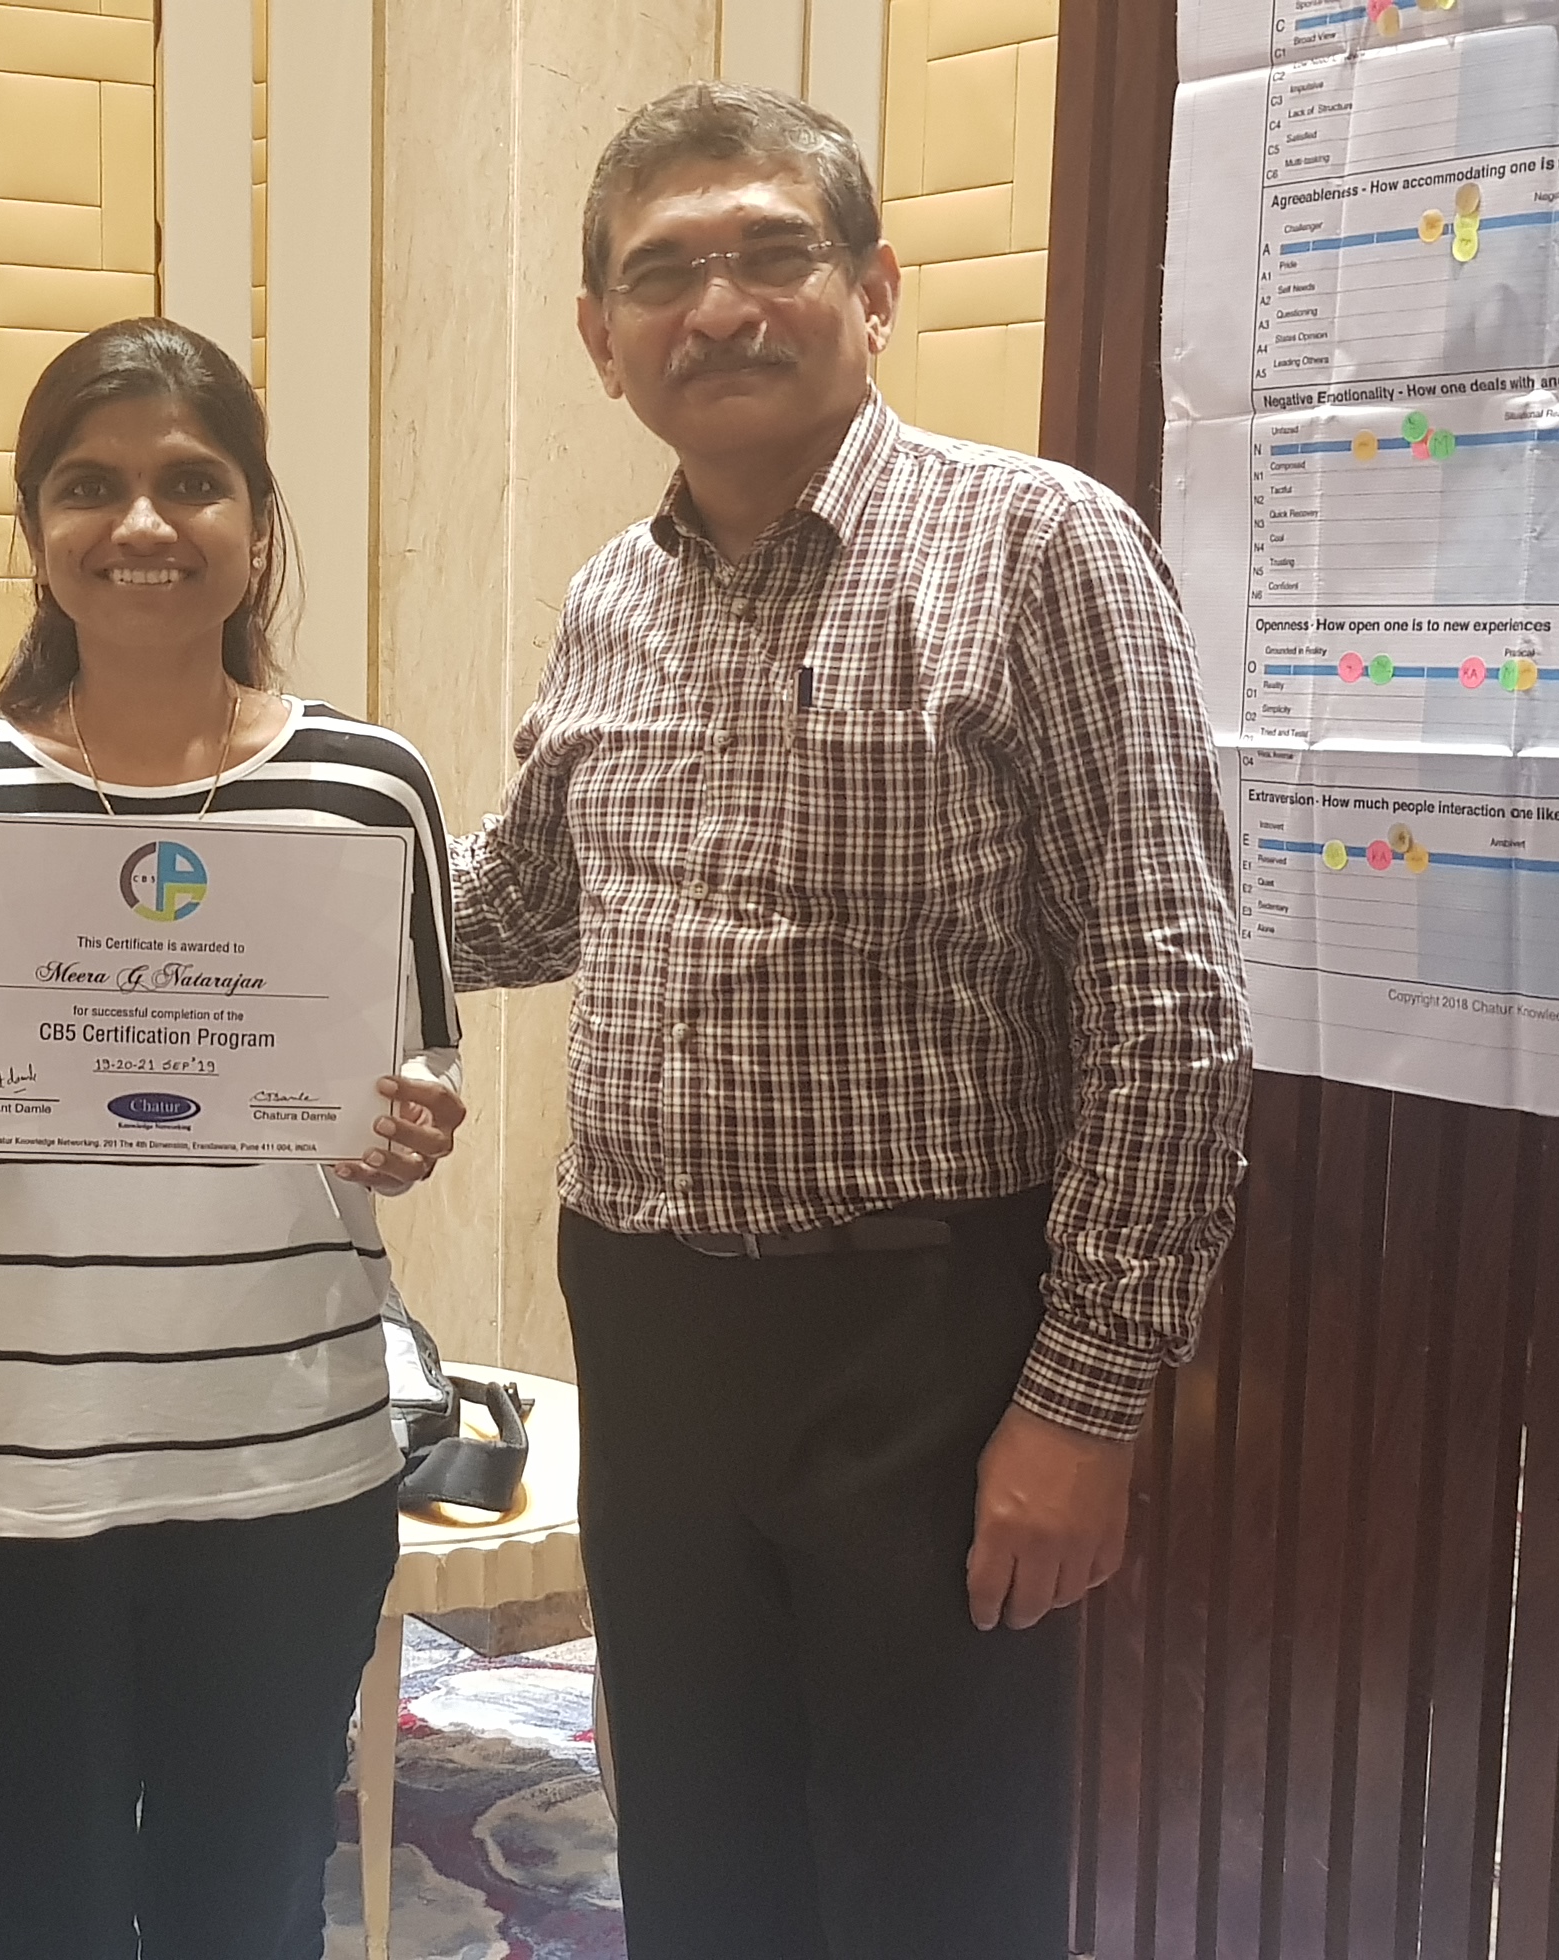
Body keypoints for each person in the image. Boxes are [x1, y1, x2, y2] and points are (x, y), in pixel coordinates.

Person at [443, 84, 1252, 1958]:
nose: (719, 306)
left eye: (772, 252)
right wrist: (248, 838)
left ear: (875, 288)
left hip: (926, 1338)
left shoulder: (1039, 547)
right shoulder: (612, 597)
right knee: (700, 1855)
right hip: (651, 1330)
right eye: (665, 273)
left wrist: (1085, 1400)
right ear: (603, 338)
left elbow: (1167, 993)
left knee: (928, 1884)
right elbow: (519, 903)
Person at [0, 317, 472, 1959]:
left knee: (244, 1903)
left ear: (255, 522)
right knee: (28, 1905)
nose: (141, 524)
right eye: (88, 486)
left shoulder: (370, 787)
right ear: (37, 529)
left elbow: (418, 1063)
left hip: (287, 1458)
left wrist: (412, 1127)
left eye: (192, 483)